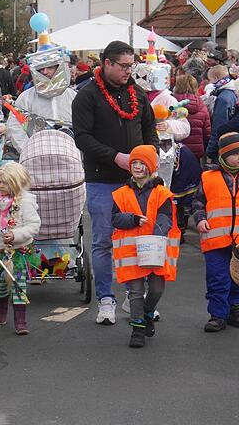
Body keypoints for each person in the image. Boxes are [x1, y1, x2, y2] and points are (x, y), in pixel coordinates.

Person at [72, 40, 158, 325]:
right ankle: (105, 299)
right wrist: (115, 157)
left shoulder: (137, 93)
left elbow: (149, 129)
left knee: (140, 239)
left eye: (131, 66)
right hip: (102, 179)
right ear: (106, 63)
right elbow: (82, 137)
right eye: (123, 66)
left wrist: (151, 156)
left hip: (138, 182)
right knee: (103, 241)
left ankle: (134, 297)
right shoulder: (87, 96)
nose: (127, 71)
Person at [111, 145, 180, 348]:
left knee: (157, 289)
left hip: (155, 249)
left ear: (150, 166)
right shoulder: (120, 194)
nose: (138, 167)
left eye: (142, 163)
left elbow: (165, 217)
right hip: (132, 251)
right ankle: (137, 328)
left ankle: (148, 312)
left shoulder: (162, 193)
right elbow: (115, 218)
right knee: (135, 291)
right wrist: (132, 219)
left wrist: (156, 237)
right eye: (134, 163)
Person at [193, 132, 239, 332]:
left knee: (238, 277)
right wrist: (200, 219)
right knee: (218, 277)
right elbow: (197, 202)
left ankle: (234, 311)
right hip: (215, 239)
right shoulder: (208, 177)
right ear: (223, 155)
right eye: (235, 153)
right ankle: (217, 315)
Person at [0, 162, 41, 335]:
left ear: (16, 183)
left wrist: (16, 235)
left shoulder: (25, 202)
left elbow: (34, 225)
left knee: (19, 285)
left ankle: (20, 320)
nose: (0, 185)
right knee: (1, 283)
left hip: (19, 251)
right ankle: (1, 306)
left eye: (5, 182)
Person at [6, 43, 77, 156]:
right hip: (35, 160)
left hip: (68, 158)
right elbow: (15, 126)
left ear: (59, 68)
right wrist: (30, 151)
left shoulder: (73, 97)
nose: (45, 72)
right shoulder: (26, 98)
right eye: (41, 68)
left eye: (50, 67)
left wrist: (75, 153)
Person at [173, 74, 211, 160]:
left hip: (175, 149)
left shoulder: (172, 103)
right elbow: (207, 132)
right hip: (195, 151)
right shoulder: (202, 106)